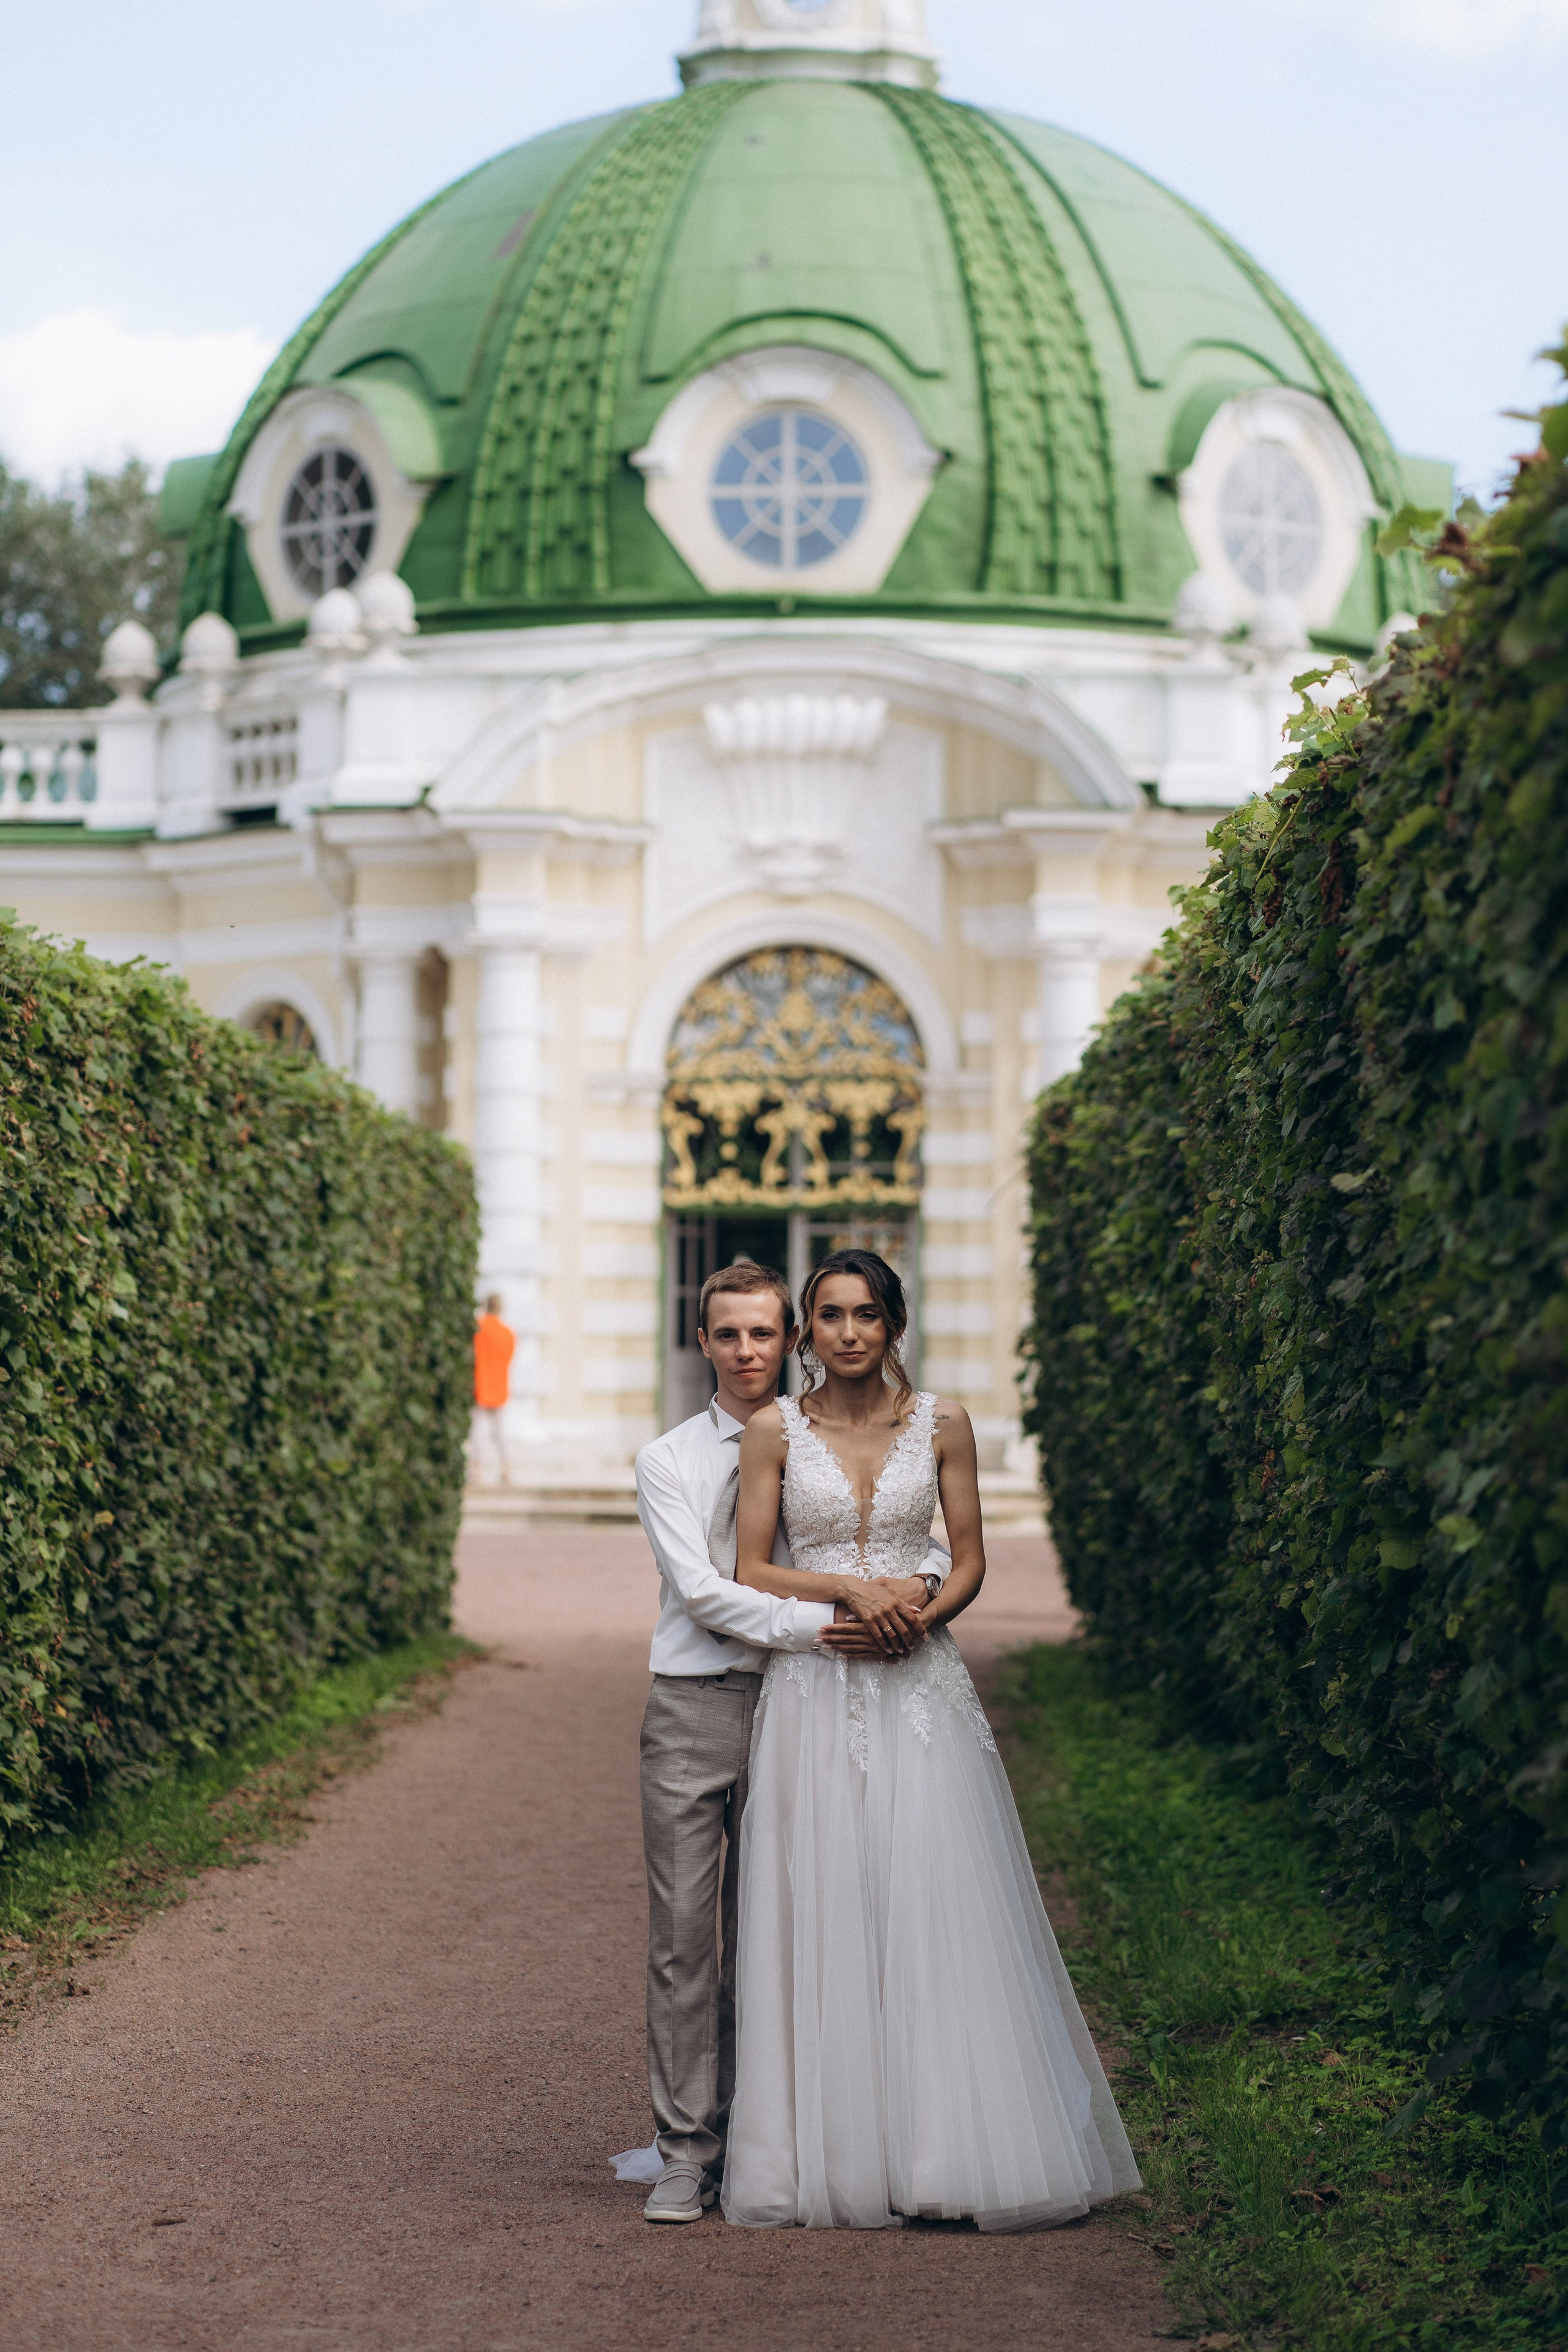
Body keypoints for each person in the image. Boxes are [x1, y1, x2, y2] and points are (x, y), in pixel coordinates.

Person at [722, 1248, 1140, 2233]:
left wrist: (923, 1615)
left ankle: (949, 2150)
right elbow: (749, 1567)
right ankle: (828, 2155)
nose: (850, 1333)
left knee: (934, 1900)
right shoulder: (774, 1432)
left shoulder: (944, 1423)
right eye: (829, 1316)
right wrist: (851, 1592)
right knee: (825, 1900)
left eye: (867, 1314)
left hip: (920, 1687)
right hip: (818, 1683)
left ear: (895, 1324)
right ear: (807, 1331)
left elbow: (971, 1558)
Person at [633, 1260, 948, 2226]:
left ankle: (804, 2135)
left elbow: (912, 1532)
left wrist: (916, 1592)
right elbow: (707, 1590)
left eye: (764, 1333)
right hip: (702, 1702)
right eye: (727, 1334)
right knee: (688, 1941)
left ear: (793, 1338)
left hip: (809, 1704)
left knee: (804, 1930)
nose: (746, 1352)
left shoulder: (837, 1432)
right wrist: (840, 1619)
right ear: (703, 1343)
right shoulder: (671, 1459)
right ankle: (688, 2152)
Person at [472, 1294, 514, 1485]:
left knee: (477, 1430)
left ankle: (478, 1468)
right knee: (500, 1431)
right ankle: (506, 1466)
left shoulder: (478, 1329)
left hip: (480, 1385)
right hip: (499, 1386)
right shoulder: (507, 1333)